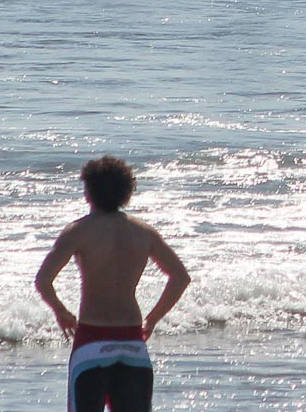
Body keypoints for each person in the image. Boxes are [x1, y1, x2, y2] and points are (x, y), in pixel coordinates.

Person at [36, 155, 191, 412]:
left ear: (88, 193)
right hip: (132, 343)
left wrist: (61, 312)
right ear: (127, 193)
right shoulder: (144, 232)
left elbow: (43, 280)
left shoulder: (78, 231)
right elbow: (180, 277)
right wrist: (152, 320)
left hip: (91, 342)